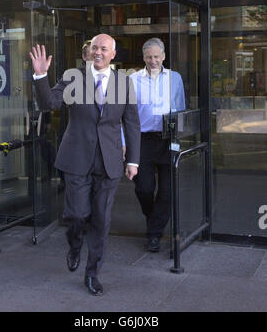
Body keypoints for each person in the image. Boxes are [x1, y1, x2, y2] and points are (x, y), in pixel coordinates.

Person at [29, 34, 140, 296]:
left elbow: (132, 123)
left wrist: (133, 159)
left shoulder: (124, 83)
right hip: (77, 157)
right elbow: (50, 103)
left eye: (103, 48)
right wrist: (40, 77)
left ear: (113, 54)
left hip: (110, 161)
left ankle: (92, 273)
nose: (98, 52)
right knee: (77, 215)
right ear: (88, 51)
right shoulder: (73, 77)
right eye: (94, 48)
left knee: (101, 220)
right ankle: (75, 243)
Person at [130, 37, 185, 253]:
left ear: (163, 56)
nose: (153, 60)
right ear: (143, 57)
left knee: (166, 191)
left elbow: (180, 108)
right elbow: (128, 115)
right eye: (149, 56)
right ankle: (154, 219)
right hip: (142, 140)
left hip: (167, 140)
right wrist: (126, 143)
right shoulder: (133, 79)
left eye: (156, 56)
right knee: (143, 188)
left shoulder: (175, 78)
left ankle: (153, 233)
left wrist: (178, 139)